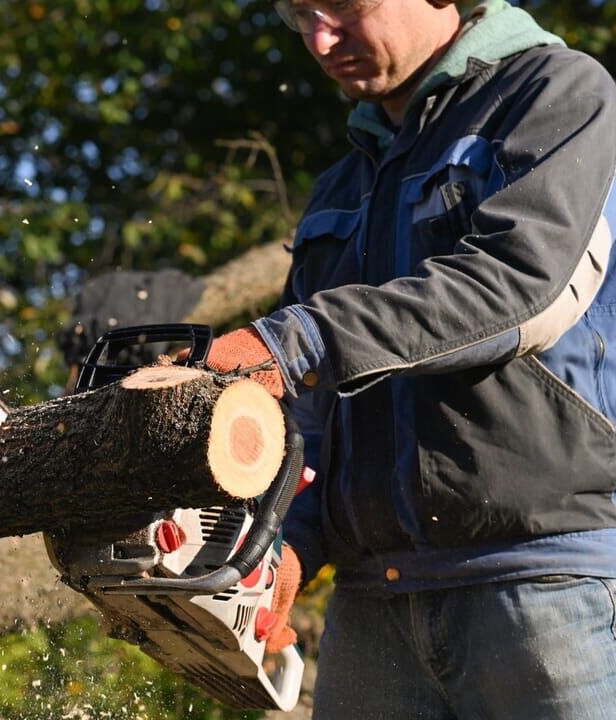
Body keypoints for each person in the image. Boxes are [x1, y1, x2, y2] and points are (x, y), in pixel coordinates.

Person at [200, 1, 616, 717]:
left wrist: (296, 341)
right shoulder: (343, 185)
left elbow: (520, 286)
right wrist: (286, 543)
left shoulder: (557, 93)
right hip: (374, 606)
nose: (322, 39)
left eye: (344, 7)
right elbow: (312, 413)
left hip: (547, 581)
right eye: (301, 16)